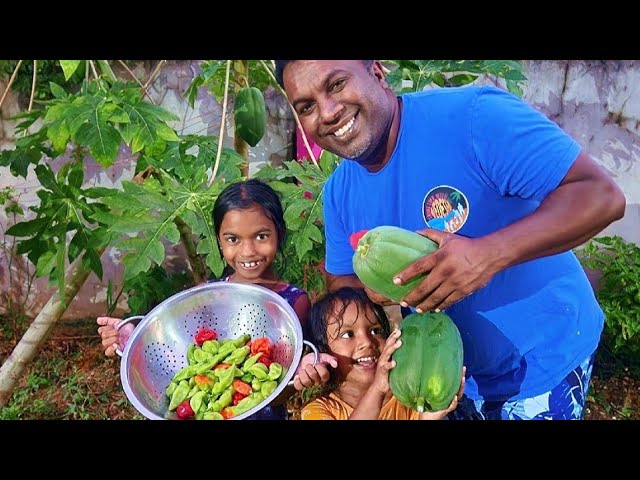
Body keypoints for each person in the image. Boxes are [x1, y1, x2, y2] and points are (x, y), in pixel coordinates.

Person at [277, 60, 626, 420]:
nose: (328, 112)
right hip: (443, 377)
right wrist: (368, 299)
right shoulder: (338, 193)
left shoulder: (473, 118)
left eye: (336, 85)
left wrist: (487, 255)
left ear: (378, 74)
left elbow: (600, 196)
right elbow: (344, 284)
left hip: (540, 366)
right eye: (307, 106)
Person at [97, 178, 311, 420]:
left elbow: (284, 388)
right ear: (218, 241)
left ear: (279, 234)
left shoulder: (294, 303)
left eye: (261, 236)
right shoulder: (209, 294)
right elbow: (179, 342)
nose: (247, 251)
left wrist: (301, 375)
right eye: (233, 239)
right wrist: (134, 341)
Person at [299, 287, 464, 420]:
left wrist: (430, 417)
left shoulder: (408, 395)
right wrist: (377, 390)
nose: (367, 342)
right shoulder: (318, 411)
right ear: (323, 352)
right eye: (348, 334)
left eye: (375, 330)